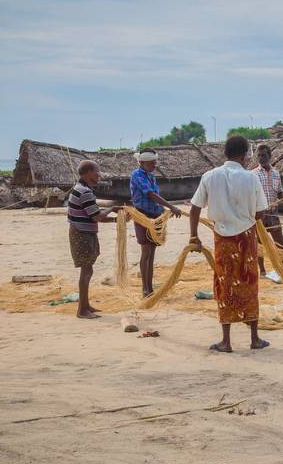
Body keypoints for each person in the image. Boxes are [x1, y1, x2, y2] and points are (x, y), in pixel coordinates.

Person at [188, 136, 270, 352]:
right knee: (249, 282)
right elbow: (260, 212)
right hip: (246, 239)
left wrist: (193, 236)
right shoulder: (251, 178)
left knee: (224, 284)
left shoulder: (210, 176)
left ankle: (226, 341)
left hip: (222, 240)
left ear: (226, 153)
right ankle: (254, 338)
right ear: (244, 155)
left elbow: (195, 207)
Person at [129, 149, 183, 298]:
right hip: (143, 216)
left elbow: (156, 196)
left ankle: (150, 287)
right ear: (142, 162)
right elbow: (151, 194)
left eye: (155, 162)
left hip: (155, 215)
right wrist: (171, 207)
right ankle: (145, 289)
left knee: (152, 252)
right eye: (152, 162)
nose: (155, 164)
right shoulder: (137, 175)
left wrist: (165, 211)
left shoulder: (151, 175)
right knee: (146, 251)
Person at [67, 160, 117, 319]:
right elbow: (97, 216)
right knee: (86, 270)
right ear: (88, 173)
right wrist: (113, 209)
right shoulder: (85, 192)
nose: (99, 175)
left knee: (88, 269)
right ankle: (82, 310)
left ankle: (86, 305)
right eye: (97, 172)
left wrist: (116, 220)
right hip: (82, 235)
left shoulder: (81, 189)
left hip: (82, 232)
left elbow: (95, 216)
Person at [254, 144, 283, 276]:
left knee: (279, 243)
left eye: (263, 155)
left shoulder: (276, 174)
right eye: (258, 155)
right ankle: (262, 271)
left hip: (273, 213)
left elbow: (280, 193)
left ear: (270, 156)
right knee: (259, 244)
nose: (261, 158)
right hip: (259, 214)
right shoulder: (253, 175)